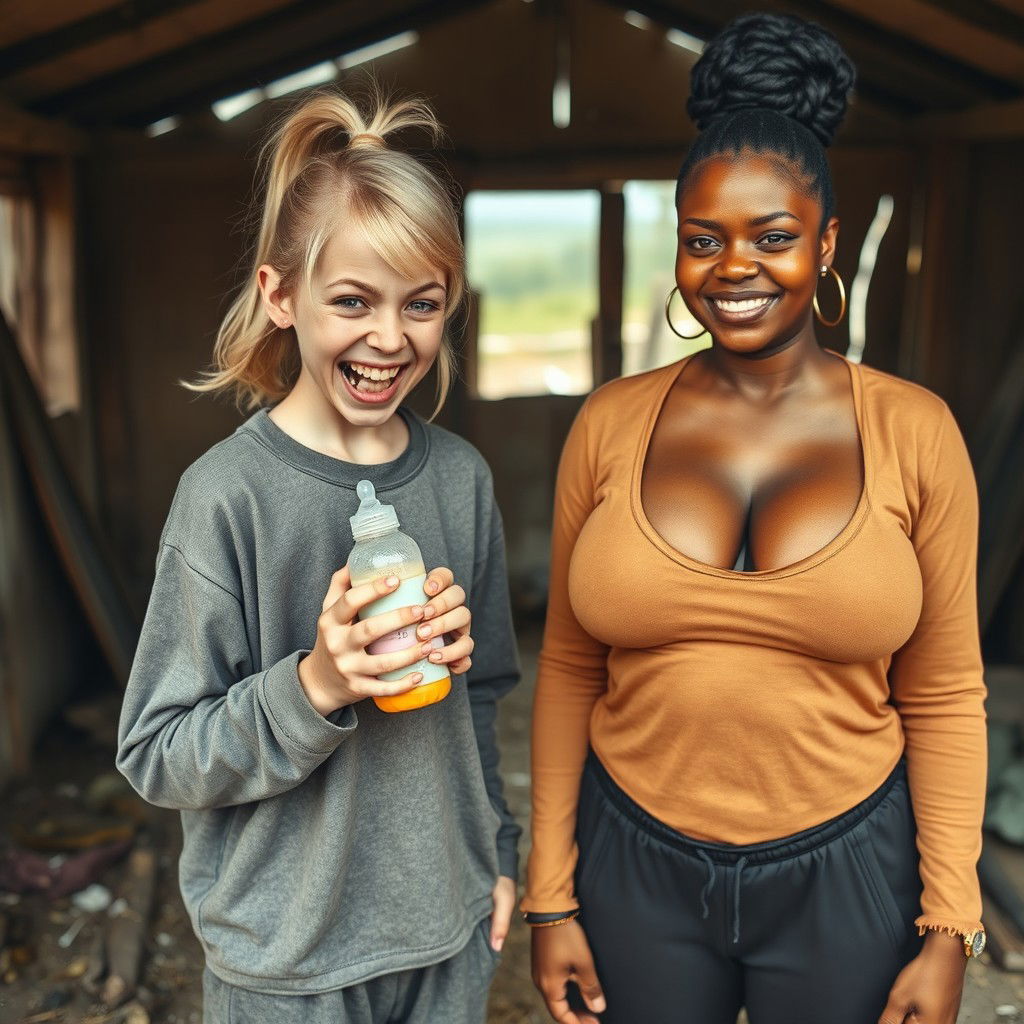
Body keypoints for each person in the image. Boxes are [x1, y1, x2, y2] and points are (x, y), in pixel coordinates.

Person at [524, 13, 986, 1024]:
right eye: (704, 241)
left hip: (847, 865)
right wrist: (550, 897)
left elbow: (947, 690)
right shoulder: (610, 423)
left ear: (826, 243)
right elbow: (566, 666)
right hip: (633, 858)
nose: (735, 268)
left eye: (773, 237)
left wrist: (950, 923)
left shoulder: (914, 431)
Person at [116, 89, 519, 1024]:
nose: (391, 337)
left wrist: (497, 854)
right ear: (279, 296)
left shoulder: (460, 478)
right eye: (352, 301)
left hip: (446, 935)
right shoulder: (227, 498)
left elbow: (485, 694)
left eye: (423, 304)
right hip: (286, 966)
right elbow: (157, 755)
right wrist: (315, 686)